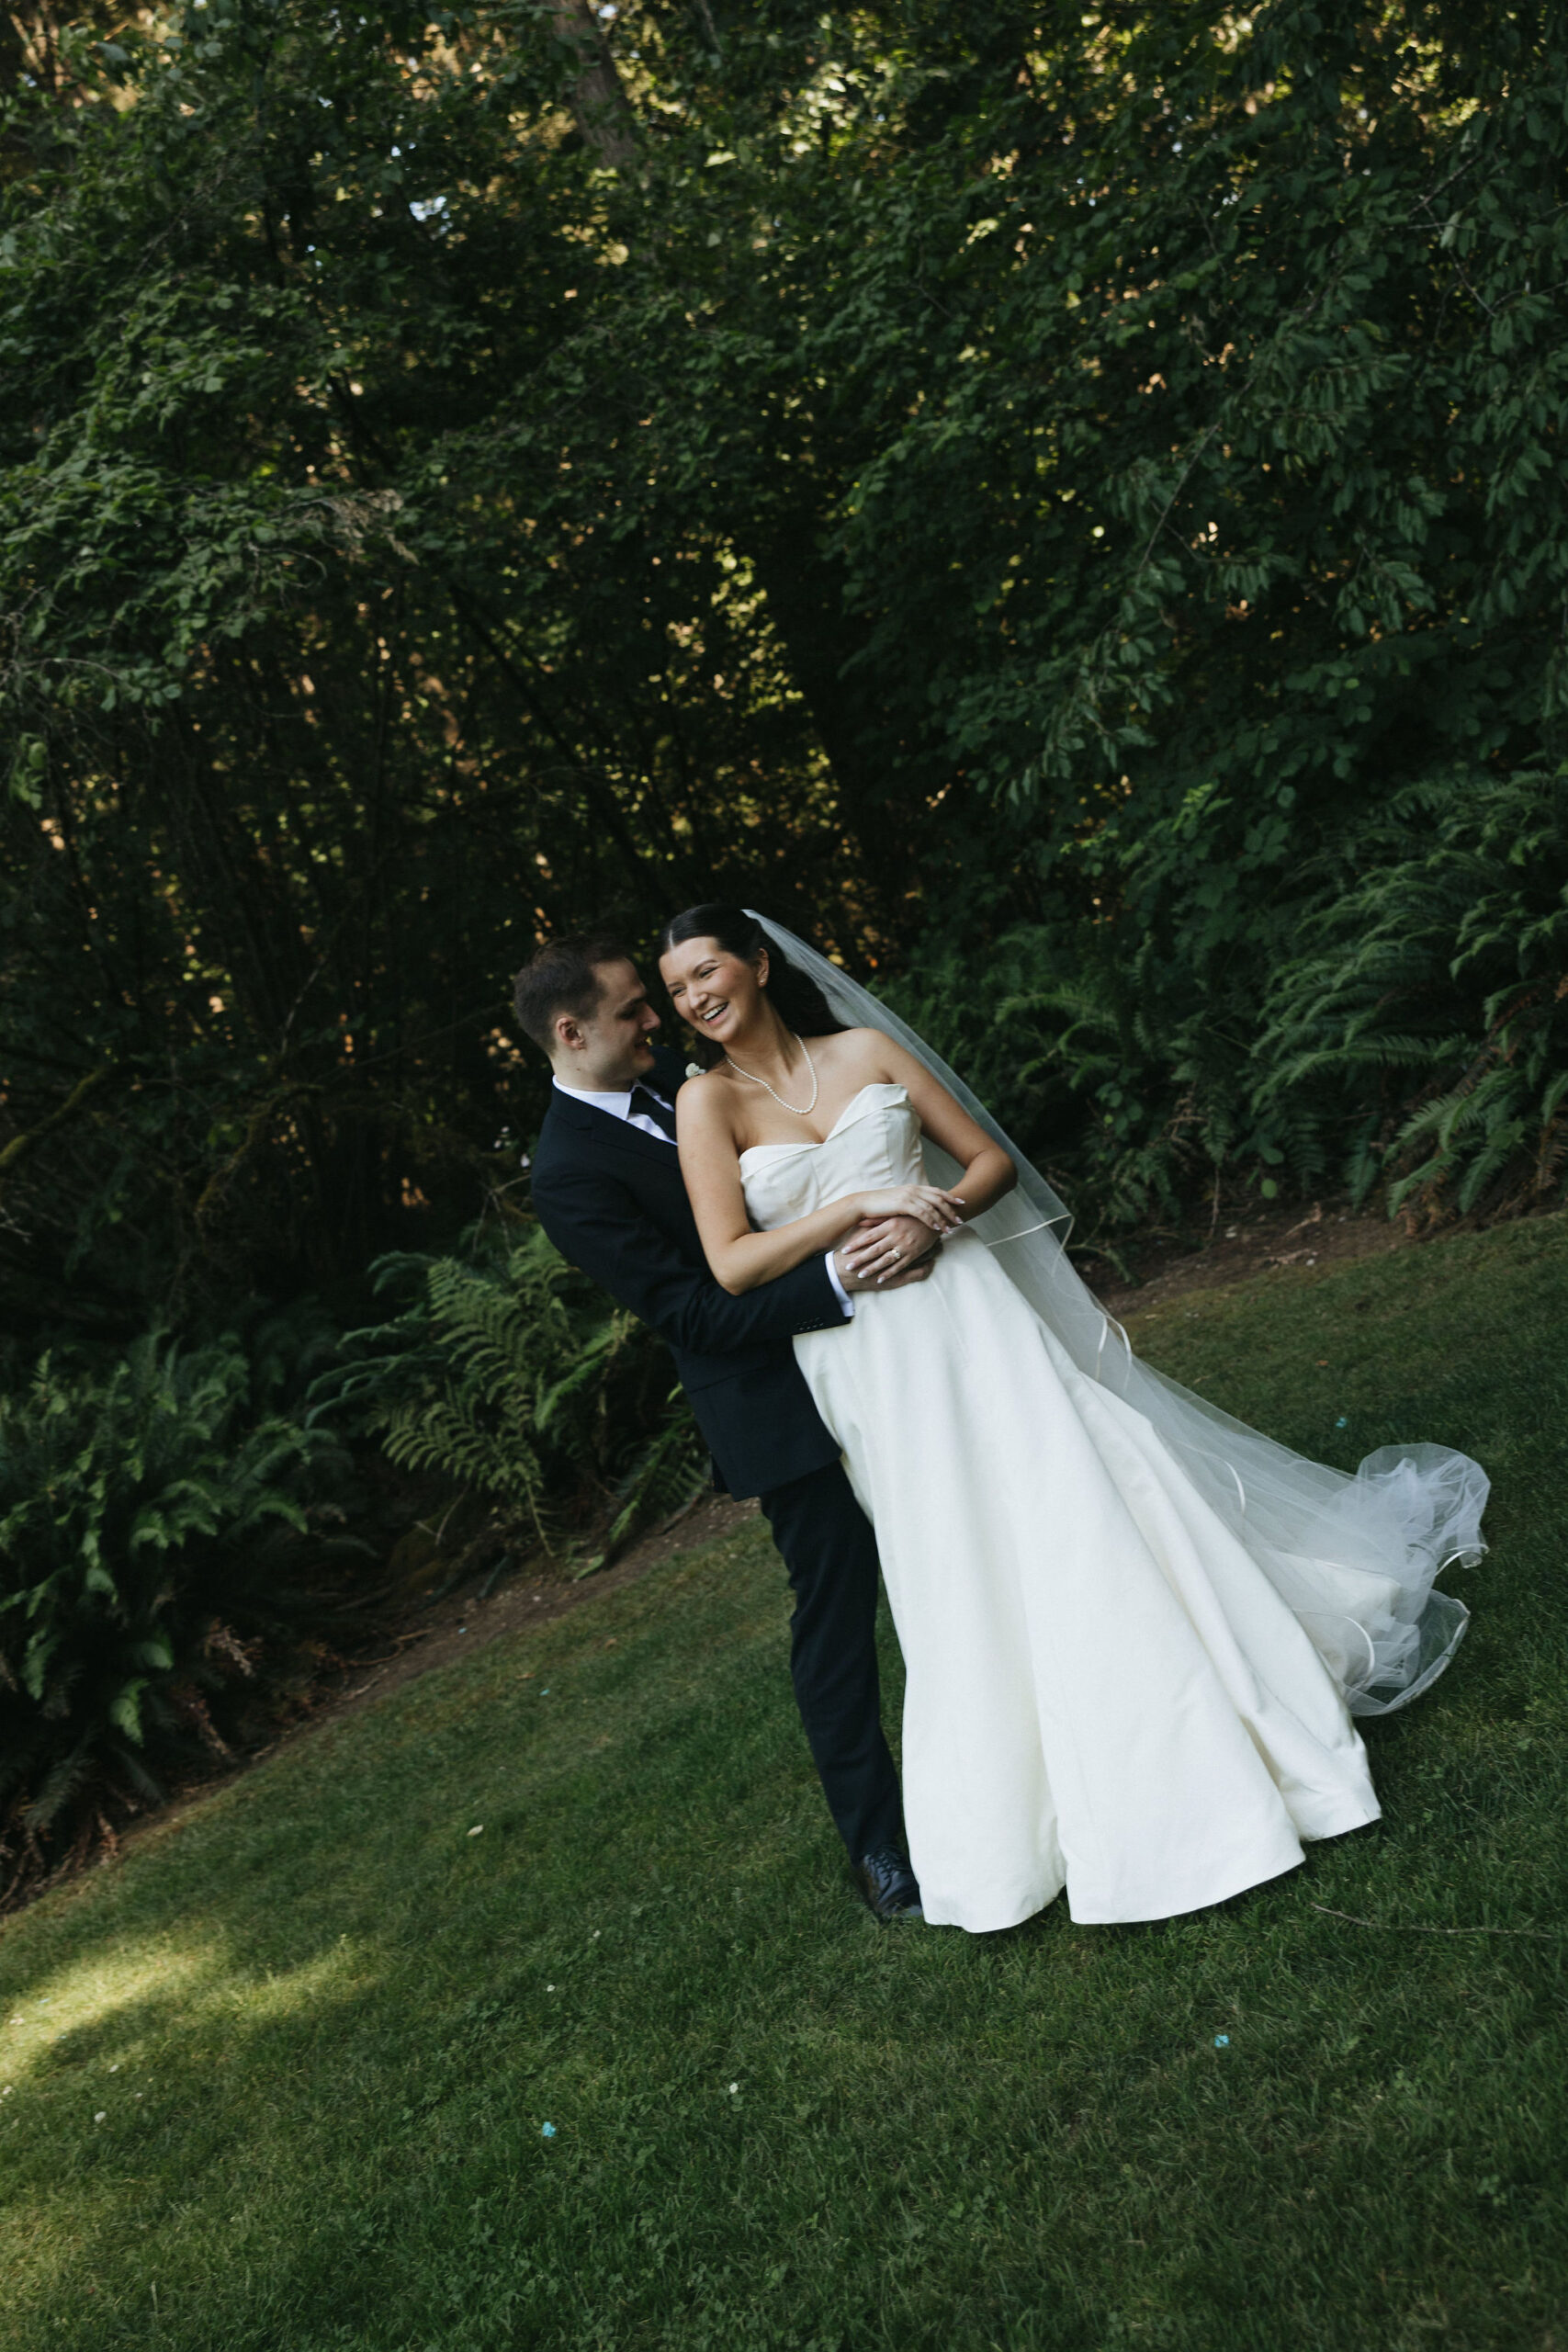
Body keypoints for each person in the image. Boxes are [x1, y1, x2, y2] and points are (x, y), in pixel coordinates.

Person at [660, 903, 1490, 1934]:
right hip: (868, 1356)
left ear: (756, 963)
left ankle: (1197, 1739)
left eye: (707, 970)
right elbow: (733, 1261)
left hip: (968, 1306)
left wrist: (940, 1212)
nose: (696, 997)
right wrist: (856, 1213)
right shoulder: (706, 1103)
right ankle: (1023, 1808)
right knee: (954, 1552)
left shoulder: (865, 1048)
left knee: (1073, 1500)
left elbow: (989, 1162)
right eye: (678, 990)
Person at [516, 933, 948, 1922]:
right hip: (770, 1395)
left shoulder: (686, 1074)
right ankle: (878, 1843)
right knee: (835, 1608)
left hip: (900, 1351)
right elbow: (696, 1311)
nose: (655, 1022)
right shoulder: (567, 1173)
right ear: (572, 1031)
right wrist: (845, 1271)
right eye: (632, 1011)